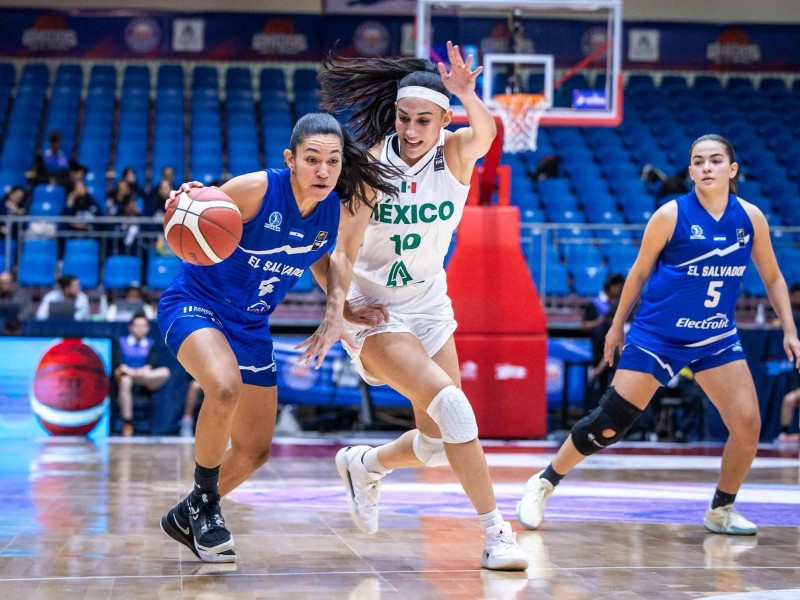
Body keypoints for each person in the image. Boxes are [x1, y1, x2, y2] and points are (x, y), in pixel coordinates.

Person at [302, 41, 528, 571]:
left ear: (443, 120)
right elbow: (341, 252)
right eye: (404, 118)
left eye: (423, 120)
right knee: (454, 407)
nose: (410, 129)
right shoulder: (369, 169)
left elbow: (487, 134)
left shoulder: (455, 153)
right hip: (376, 311)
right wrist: (339, 313)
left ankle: (366, 465)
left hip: (429, 306)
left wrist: (467, 94)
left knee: (433, 442)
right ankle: (496, 532)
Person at [516, 134, 800, 536]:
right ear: (690, 171)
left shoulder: (751, 218)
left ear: (732, 169)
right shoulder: (671, 214)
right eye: (698, 161)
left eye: (715, 160)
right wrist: (616, 326)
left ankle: (721, 509)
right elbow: (638, 274)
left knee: (748, 423)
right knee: (610, 424)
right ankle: (544, 482)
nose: (706, 167)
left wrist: (790, 330)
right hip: (658, 336)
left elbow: (772, 278)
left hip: (714, 336)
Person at [156, 112, 398, 563]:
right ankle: (207, 506)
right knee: (223, 387)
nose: (323, 170)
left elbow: (319, 257)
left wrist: (343, 310)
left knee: (254, 451)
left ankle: (187, 513)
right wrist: (183, 199)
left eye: (333, 160)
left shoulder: (333, 209)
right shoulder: (257, 189)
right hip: (196, 303)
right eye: (312, 159)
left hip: (251, 324)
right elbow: (193, 212)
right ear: (290, 159)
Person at [112, 313, 171, 436]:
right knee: (125, 381)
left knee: (165, 372)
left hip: (143, 378)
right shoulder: (120, 342)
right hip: (124, 376)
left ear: (148, 328)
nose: (140, 329)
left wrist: (140, 372)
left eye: (143, 326)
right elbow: (118, 365)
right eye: (137, 326)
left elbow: (149, 365)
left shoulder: (150, 344)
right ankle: (128, 422)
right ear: (130, 327)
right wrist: (131, 372)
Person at [582, 273, 625, 408]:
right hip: (598, 350)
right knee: (596, 390)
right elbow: (584, 325)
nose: (619, 290)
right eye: (617, 286)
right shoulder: (595, 304)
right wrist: (599, 322)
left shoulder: (617, 305)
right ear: (610, 286)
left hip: (612, 355)